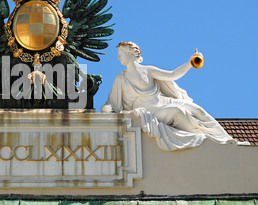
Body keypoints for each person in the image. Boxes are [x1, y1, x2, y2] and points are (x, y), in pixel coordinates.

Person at [101, 41, 243, 151]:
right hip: (154, 111)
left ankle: (226, 140)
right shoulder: (121, 79)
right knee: (178, 112)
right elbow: (111, 103)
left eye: (121, 53)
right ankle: (204, 140)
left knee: (197, 110)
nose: (118, 57)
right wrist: (107, 108)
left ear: (130, 53)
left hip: (164, 102)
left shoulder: (148, 70)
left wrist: (190, 62)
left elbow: (173, 75)